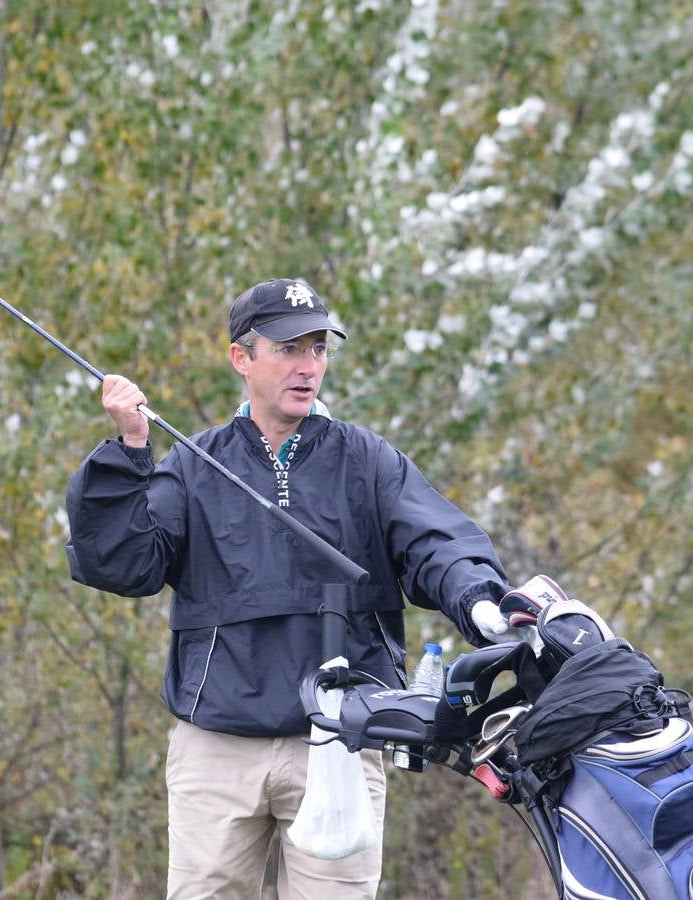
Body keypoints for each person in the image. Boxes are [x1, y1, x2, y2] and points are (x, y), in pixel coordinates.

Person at [66, 277, 516, 899]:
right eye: (288, 349)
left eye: (319, 349)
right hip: (216, 745)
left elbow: (438, 544)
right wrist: (131, 451)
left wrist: (481, 600)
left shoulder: (367, 460)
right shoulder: (195, 465)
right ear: (241, 359)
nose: (308, 367)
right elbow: (123, 564)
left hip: (339, 737)